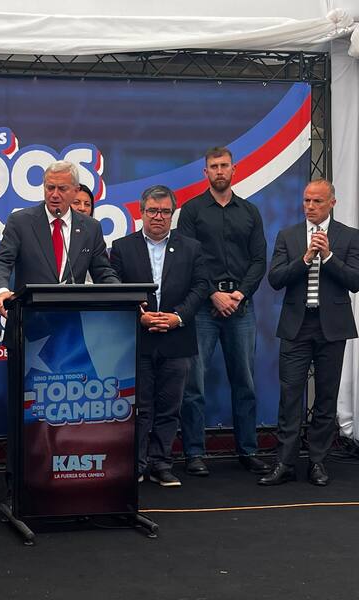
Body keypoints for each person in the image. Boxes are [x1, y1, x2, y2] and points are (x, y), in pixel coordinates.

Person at [176, 147, 271, 477]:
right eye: (213, 167)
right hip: (203, 306)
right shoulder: (190, 211)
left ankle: (247, 450)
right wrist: (214, 294)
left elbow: (259, 260)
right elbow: (187, 260)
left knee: (244, 382)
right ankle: (194, 453)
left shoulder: (250, 212)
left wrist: (239, 294)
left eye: (224, 166)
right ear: (205, 173)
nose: (219, 171)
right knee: (194, 384)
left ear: (234, 169)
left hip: (241, 307)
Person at [260, 179, 359, 486]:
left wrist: (328, 258)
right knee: (290, 396)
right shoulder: (288, 236)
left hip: (332, 326)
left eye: (317, 201)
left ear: (332, 202)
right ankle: (285, 462)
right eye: (306, 201)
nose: (310, 207)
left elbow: (355, 280)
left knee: (327, 397)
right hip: (296, 326)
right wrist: (303, 259)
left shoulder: (349, 236)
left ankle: (317, 461)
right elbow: (275, 278)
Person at [110, 185, 208, 486]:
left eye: (165, 211)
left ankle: (161, 463)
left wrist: (177, 316)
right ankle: (136, 464)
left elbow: (201, 286)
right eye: (152, 211)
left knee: (170, 406)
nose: (158, 217)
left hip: (176, 338)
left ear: (172, 214)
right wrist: (139, 315)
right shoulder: (122, 247)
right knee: (140, 406)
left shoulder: (191, 247)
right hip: (138, 338)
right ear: (141, 212)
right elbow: (114, 287)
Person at [0, 160, 119, 325]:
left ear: (75, 191)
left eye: (62, 189)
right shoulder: (20, 221)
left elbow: (102, 271)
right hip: (29, 323)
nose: (55, 194)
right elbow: (1, 262)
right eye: (50, 187)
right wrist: (1, 291)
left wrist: (124, 296)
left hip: (71, 328)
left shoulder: (91, 228)